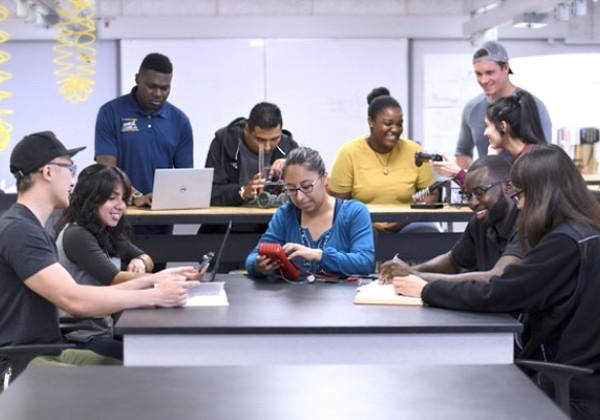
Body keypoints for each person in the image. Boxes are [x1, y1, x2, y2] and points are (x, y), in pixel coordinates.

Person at [393, 145, 600, 420]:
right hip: (579, 378)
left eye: (522, 195)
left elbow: (498, 291)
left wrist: (427, 289)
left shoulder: (563, 244)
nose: (520, 204)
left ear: (543, 192)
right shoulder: (586, 231)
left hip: (568, 389)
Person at [0, 131, 199, 374]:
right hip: (22, 364)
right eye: (69, 169)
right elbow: (75, 301)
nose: (73, 181)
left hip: (45, 352)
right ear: (49, 172)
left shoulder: (30, 227)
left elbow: (80, 294)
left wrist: (155, 279)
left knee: (145, 370)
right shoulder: (21, 231)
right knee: (143, 379)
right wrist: (156, 295)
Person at [54, 164, 160, 360]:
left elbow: (147, 257)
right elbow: (115, 278)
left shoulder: (105, 230)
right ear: (91, 199)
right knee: (150, 359)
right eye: (112, 198)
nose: (121, 206)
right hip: (81, 338)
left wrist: (140, 263)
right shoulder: (77, 235)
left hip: (103, 330)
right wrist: (165, 281)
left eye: (123, 198)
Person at [380, 155, 521, 283]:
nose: (472, 203)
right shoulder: (480, 222)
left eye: (479, 193)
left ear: (509, 187)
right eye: (468, 195)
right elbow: (454, 262)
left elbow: (497, 277)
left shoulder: (526, 223)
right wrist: (410, 271)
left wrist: (413, 275)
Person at [246, 147, 374, 279]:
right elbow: (252, 258)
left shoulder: (354, 212)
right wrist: (258, 265)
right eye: (291, 189)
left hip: (340, 298)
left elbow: (365, 263)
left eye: (307, 187)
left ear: (324, 178)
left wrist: (319, 255)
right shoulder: (285, 215)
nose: (299, 197)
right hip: (293, 297)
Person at [329, 87, 436, 232]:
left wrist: (405, 219)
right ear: (371, 122)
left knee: (426, 231)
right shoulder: (349, 153)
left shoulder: (415, 151)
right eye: (388, 123)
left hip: (407, 224)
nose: (395, 129)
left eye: (399, 124)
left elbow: (430, 193)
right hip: (361, 225)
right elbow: (339, 203)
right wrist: (366, 224)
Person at [95, 52, 193, 209]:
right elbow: (106, 169)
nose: (158, 93)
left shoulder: (180, 121)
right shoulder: (110, 112)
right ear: (137, 79)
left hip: (162, 213)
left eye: (164, 88)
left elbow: (185, 176)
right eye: (151, 86)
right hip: (119, 211)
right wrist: (135, 196)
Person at [453, 41, 551, 170]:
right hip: (488, 188)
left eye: (489, 72)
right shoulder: (472, 108)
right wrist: (474, 180)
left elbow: (545, 156)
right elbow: (462, 153)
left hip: (527, 184)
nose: (483, 80)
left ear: (505, 68)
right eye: (478, 74)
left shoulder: (532, 105)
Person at [434, 89, 546, 186]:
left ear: (503, 126)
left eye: (487, 125)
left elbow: (498, 195)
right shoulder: (526, 158)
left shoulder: (529, 163)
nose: (485, 133)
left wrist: (459, 173)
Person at [206, 101, 298, 206]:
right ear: (247, 130)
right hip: (232, 220)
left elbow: (308, 189)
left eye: (274, 139)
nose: (267, 147)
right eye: (260, 140)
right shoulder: (224, 142)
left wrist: (293, 167)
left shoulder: (288, 145)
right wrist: (242, 192)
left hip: (274, 219)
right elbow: (210, 192)